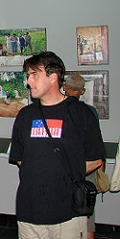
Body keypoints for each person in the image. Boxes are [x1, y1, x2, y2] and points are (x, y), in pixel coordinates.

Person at [9, 52, 105, 239]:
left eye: (34, 75)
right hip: (30, 212)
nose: (29, 81)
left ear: (53, 77)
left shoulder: (81, 114)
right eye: (28, 76)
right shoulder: (25, 116)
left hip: (68, 213)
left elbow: (95, 160)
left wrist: (61, 177)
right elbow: (20, 159)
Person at [63, 73, 106, 239]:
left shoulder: (57, 110)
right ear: (81, 91)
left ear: (64, 87)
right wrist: (100, 171)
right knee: (87, 214)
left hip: (67, 168)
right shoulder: (90, 112)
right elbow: (97, 144)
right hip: (88, 169)